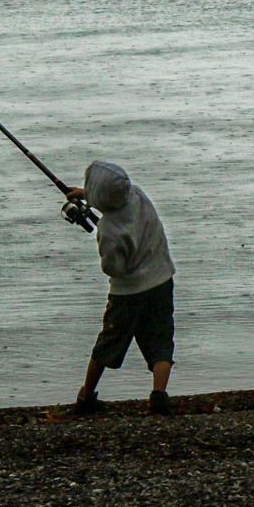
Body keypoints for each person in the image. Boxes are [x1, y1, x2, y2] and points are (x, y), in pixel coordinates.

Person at [66, 160, 176, 415]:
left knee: (109, 341)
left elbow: (112, 268)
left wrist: (90, 200)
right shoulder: (138, 194)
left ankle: (86, 398)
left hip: (128, 293)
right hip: (161, 281)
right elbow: (113, 198)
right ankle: (159, 395)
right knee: (160, 339)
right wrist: (87, 196)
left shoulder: (108, 229)